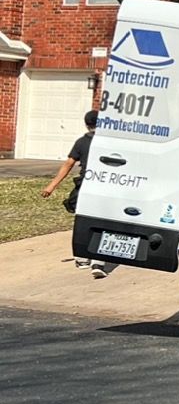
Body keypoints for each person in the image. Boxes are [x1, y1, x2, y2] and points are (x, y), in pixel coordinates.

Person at [41, 109, 109, 278]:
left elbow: (68, 164)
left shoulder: (81, 142)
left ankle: (82, 258)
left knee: (83, 222)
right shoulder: (109, 142)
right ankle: (98, 261)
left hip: (85, 187)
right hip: (104, 187)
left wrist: (51, 186)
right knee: (101, 223)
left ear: (87, 125)